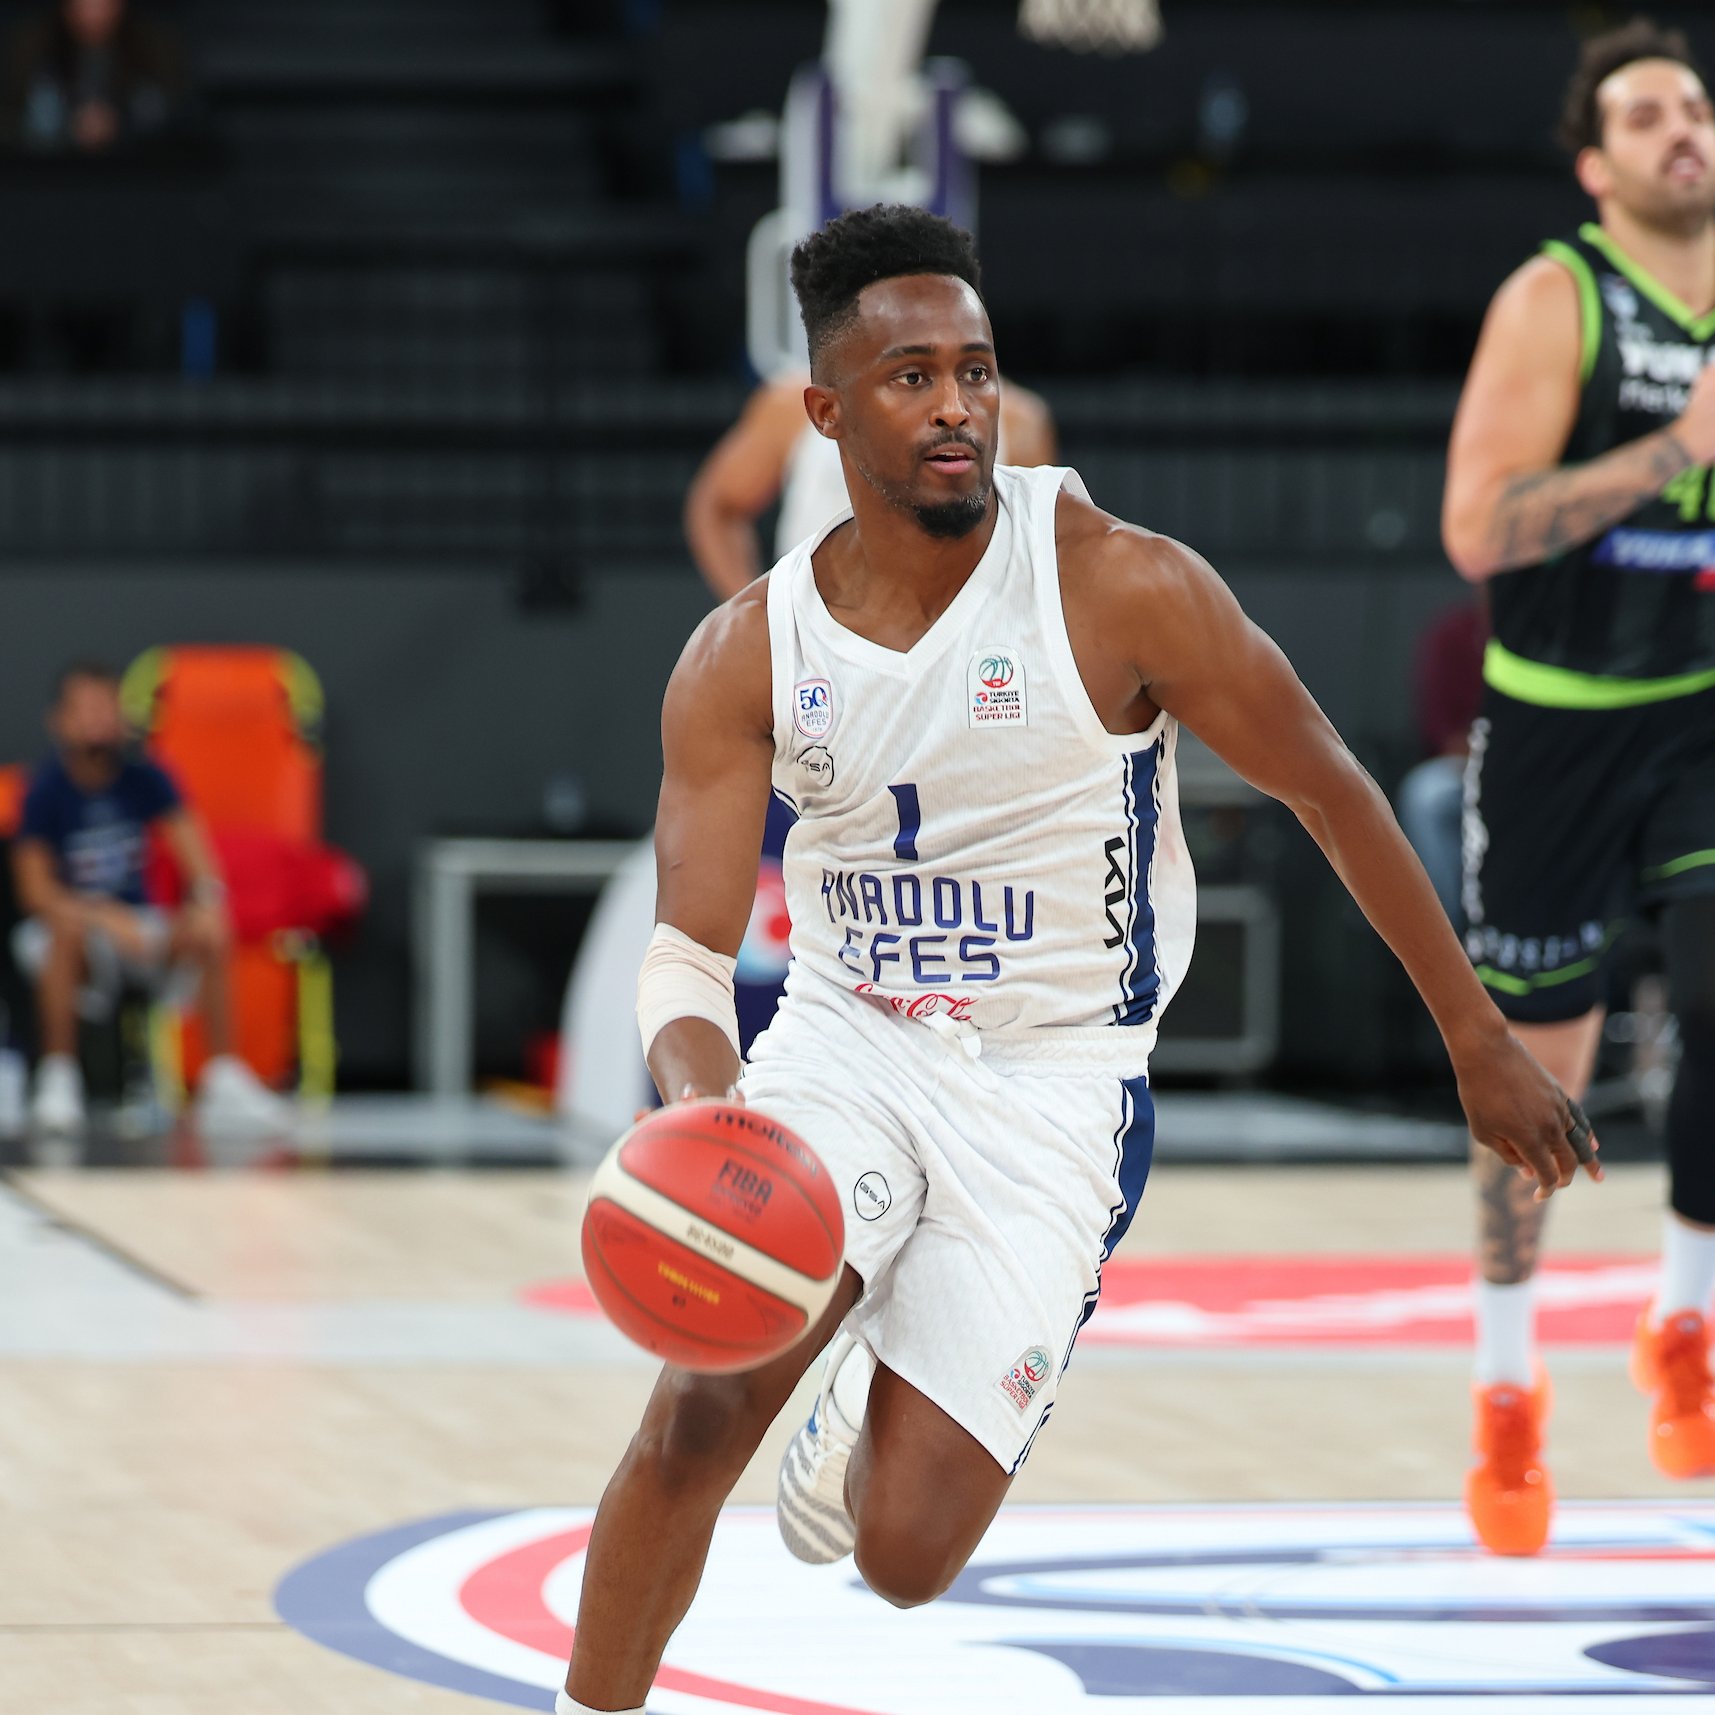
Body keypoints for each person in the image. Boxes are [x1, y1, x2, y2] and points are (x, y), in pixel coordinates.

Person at [559, 204, 1593, 1715]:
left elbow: (1329, 787)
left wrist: (1474, 1036)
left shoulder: (1119, 583)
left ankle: (869, 1380)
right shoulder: (745, 650)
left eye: (973, 370)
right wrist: (706, 1113)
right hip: (848, 1042)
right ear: (825, 413)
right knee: (696, 1414)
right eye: (910, 377)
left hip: (1056, 1081)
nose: (955, 405)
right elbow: (685, 956)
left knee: (902, 1553)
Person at [1442, 19, 1715, 1557]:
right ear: (1593, 165)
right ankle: (1505, 1382)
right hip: (1556, 727)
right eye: (1644, 114)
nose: (1682, 129)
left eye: (1694, 105)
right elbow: (1477, 526)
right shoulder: (1556, 296)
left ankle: (1682, 1320)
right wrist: (1672, 447)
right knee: (1533, 1090)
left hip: (1699, 714)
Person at [10, 662, 292, 1138]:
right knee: (60, 930)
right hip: (77, 933)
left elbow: (198, 858)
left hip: (142, 930)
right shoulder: (44, 790)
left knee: (210, 924)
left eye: (107, 706)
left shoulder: (146, 777)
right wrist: (105, 917)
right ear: (60, 720)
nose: (98, 719)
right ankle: (60, 1080)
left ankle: (224, 1078)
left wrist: (206, 899)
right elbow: (35, 892)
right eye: (86, 708)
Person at [684, 366, 1057, 601]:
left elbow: (1033, 554)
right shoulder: (796, 405)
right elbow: (718, 505)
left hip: (956, 655)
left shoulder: (1015, 420)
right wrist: (755, 611)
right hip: (818, 654)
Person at [4, 0, 185, 155]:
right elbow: (12, 117)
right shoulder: (31, 48)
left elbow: (173, 114)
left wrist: (121, 124)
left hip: (139, 169)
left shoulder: (154, 47)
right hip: (48, 170)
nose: (93, 12)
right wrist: (67, 126)